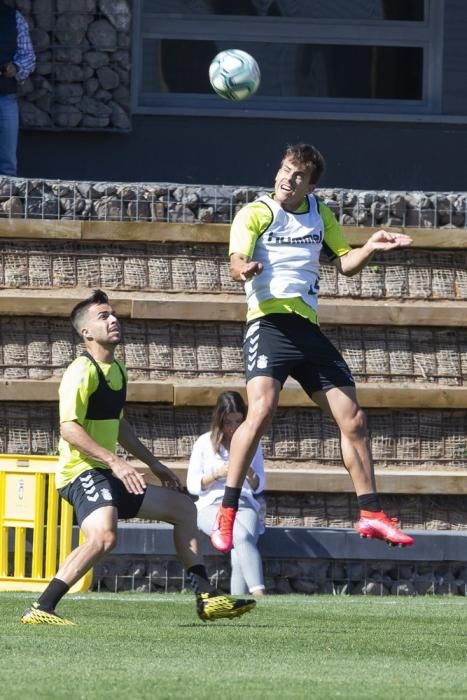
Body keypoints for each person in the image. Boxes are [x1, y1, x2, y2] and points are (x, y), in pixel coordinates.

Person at [210, 142, 415, 554]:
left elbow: (344, 262)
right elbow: (235, 261)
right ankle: (227, 509)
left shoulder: (320, 213)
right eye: (286, 169)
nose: (288, 178)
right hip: (268, 324)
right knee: (262, 409)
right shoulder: (255, 212)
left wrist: (371, 248)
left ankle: (371, 513)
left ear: (311, 185)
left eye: (299, 175)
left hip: (307, 329)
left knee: (353, 419)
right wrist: (244, 268)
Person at [21, 290, 255, 625]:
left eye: (113, 314)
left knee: (184, 508)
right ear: (86, 332)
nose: (113, 319)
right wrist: (116, 462)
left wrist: (154, 464)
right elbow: (69, 429)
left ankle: (207, 597)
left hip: (107, 473)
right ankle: (42, 608)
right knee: (104, 536)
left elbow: (118, 426)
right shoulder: (80, 372)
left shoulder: (116, 370)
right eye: (103, 316)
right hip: (81, 474)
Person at [187, 391, 266, 596]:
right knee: (240, 535)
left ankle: (238, 603)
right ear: (219, 420)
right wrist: (217, 474)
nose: (233, 428)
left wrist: (246, 470)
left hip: (243, 502)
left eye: (238, 421)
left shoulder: (252, 443)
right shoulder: (204, 443)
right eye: (228, 422)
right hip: (210, 505)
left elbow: (259, 486)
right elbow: (193, 485)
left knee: (241, 547)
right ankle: (260, 595)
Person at [0, 1, 35, 176]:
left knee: (7, 165)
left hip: (5, 96)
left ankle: (6, 202)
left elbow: (27, 56)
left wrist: (15, 67)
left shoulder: (14, 18)